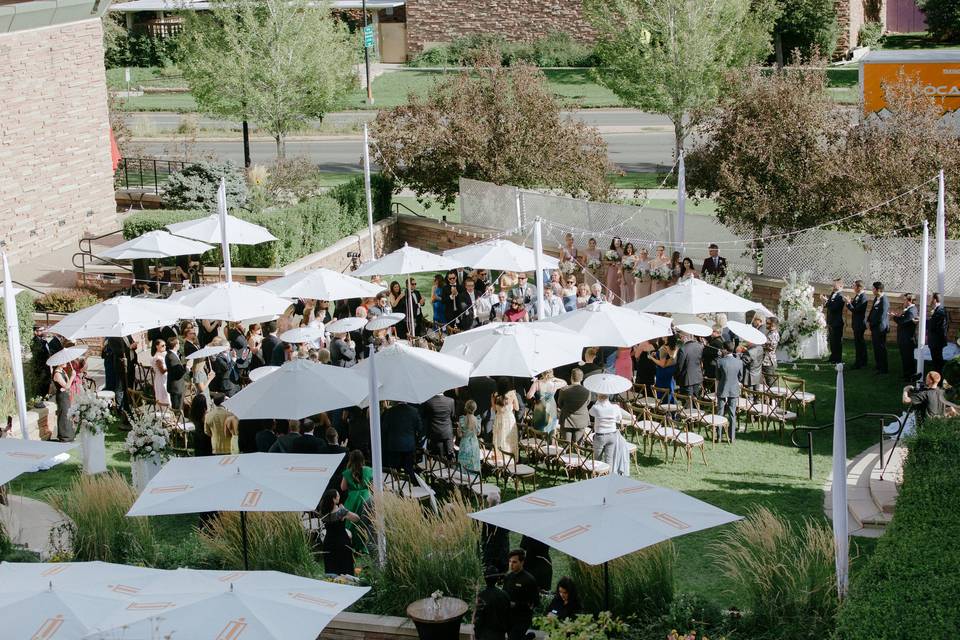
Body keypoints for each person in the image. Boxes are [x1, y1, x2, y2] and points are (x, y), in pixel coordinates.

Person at [319, 489, 360, 576]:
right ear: (333, 499)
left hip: (328, 543)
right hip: (342, 543)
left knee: (332, 570)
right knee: (345, 569)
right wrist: (345, 510)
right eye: (338, 496)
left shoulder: (323, 512)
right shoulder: (341, 512)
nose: (339, 497)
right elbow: (356, 518)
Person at [502, 549, 540, 640]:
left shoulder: (529, 580)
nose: (511, 564)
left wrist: (516, 604)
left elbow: (535, 602)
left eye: (514, 562)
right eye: (510, 561)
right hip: (508, 618)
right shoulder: (508, 577)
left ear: (522, 562)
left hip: (522, 619)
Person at [381, 401, 422, 482]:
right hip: (409, 445)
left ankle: (397, 487)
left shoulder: (390, 412)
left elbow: (384, 428)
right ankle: (412, 486)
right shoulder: (414, 411)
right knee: (409, 469)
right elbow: (420, 428)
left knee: (394, 470)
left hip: (394, 445)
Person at [715, 342, 744, 443]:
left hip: (722, 389)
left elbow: (717, 378)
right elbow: (740, 377)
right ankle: (732, 438)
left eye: (722, 349)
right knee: (732, 414)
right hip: (734, 389)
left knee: (720, 413)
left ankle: (718, 437)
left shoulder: (720, 361)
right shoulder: (739, 362)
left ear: (725, 350)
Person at [473, 568, 512, 640]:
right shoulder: (505, 595)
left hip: (485, 635)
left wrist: (477, 634)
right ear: (497, 578)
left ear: (485, 579)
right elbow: (508, 617)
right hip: (499, 635)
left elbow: (478, 619)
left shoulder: (482, 596)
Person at [340, 449, 372, 533]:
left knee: (351, 521)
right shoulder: (369, 470)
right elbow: (373, 485)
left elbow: (343, 488)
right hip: (366, 497)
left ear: (350, 460)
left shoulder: (347, 472)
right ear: (362, 459)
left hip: (352, 499)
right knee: (365, 520)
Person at [556, 368, 590, 444]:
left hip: (566, 419)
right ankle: (578, 455)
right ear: (581, 378)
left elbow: (560, 403)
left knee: (567, 445)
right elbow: (587, 403)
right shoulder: (587, 391)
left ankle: (567, 455)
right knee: (578, 445)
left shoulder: (564, 390)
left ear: (571, 377)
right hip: (581, 420)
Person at [527, 369, 564, 439]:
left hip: (540, 407)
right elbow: (564, 383)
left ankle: (539, 444)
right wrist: (555, 378)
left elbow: (529, 396)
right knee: (550, 427)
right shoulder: (554, 384)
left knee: (539, 428)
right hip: (551, 407)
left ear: (542, 374)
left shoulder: (537, 383)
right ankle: (550, 444)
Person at [589, 393, 624, 465]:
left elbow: (590, 413)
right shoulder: (615, 407)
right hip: (612, 434)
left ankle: (597, 474)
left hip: (600, 435)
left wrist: (597, 401)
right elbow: (619, 418)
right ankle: (608, 474)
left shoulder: (596, 407)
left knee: (597, 459)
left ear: (598, 397)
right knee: (609, 459)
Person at [481, 493, 509, 574]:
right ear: (499, 501)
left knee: (490, 568)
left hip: (489, 546)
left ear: (488, 502)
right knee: (501, 568)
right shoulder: (505, 514)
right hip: (502, 546)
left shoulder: (484, 515)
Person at [422, 391, 456, 457]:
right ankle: (450, 461)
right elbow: (452, 415)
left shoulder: (428, 401)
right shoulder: (451, 401)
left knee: (437, 455)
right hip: (447, 432)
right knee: (450, 454)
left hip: (434, 432)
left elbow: (424, 415)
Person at [492, 378, 520, 460]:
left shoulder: (494, 395)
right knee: (509, 438)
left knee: (499, 438)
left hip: (499, 418)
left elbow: (494, 408)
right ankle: (511, 458)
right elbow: (517, 408)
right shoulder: (512, 394)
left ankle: (500, 457)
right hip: (509, 419)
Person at [894, 293, 919, 381]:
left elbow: (903, 322)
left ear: (910, 301)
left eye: (905, 300)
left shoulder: (912, 310)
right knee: (905, 357)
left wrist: (894, 317)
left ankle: (910, 376)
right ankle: (906, 374)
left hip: (908, 339)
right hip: (904, 338)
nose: (903, 302)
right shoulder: (908, 309)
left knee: (908, 358)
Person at [821, 278, 846, 364]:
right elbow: (828, 306)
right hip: (831, 321)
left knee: (837, 341)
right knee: (832, 340)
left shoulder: (840, 296)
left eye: (835, 284)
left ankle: (838, 359)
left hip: (837, 322)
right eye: (833, 284)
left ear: (840, 286)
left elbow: (834, 307)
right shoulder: (833, 293)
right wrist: (825, 302)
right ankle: (833, 357)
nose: (833, 286)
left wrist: (826, 301)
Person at [845, 280, 869, 369]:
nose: (853, 287)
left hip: (859, 324)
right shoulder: (858, 296)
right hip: (856, 323)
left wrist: (848, 303)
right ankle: (862, 361)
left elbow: (856, 310)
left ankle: (860, 363)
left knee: (859, 343)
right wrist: (850, 303)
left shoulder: (863, 297)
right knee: (859, 342)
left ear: (859, 287)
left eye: (854, 286)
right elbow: (854, 306)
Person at [869, 282, 890, 374]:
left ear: (878, 290)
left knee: (881, 348)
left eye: (873, 289)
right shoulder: (877, 298)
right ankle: (878, 365)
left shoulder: (884, 300)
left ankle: (883, 368)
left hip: (880, 328)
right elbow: (873, 310)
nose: (872, 290)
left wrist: (873, 324)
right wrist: (869, 319)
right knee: (876, 347)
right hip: (874, 327)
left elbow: (881, 316)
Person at [51, 361, 75, 442]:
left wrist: (70, 379)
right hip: (62, 397)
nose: (66, 363)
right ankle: (64, 436)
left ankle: (69, 435)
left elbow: (67, 385)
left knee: (67, 414)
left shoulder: (63, 371)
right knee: (63, 415)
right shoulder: (57, 374)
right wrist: (72, 376)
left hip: (66, 395)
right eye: (63, 362)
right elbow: (67, 386)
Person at [675, 333, 705, 397]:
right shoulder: (700, 346)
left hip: (687, 379)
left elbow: (679, 366)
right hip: (698, 377)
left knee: (688, 402)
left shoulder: (683, 349)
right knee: (697, 400)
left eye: (681, 337)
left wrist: (676, 376)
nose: (681, 339)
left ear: (685, 337)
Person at [164, 336, 187, 415]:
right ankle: (178, 422)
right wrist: (187, 367)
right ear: (176, 345)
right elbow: (178, 373)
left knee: (179, 406)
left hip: (177, 385)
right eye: (178, 343)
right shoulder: (171, 357)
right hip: (176, 386)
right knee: (177, 408)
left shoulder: (172, 354)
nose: (179, 345)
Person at [457, 399, 482, 474]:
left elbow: (460, 435)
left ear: (465, 408)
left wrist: (458, 431)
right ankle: (474, 479)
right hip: (474, 443)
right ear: (475, 409)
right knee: (474, 462)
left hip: (465, 444)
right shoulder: (477, 420)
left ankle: (463, 479)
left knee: (464, 463)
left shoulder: (462, 419)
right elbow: (478, 433)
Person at [928, 293, 949, 374]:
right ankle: (938, 377)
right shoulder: (939, 309)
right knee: (937, 360)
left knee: (937, 361)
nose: (929, 300)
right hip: (936, 340)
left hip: (936, 341)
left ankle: (938, 379)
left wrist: (923, 321)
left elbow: (934, 326)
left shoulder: (940, 311)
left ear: (935, 300)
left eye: (931, 298)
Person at [151, 338, 170, 410]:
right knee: (164, 396)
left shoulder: (162, 354)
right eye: (162, 345)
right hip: (161, 380)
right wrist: (171, 366)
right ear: (157, 346)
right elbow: (162, 370)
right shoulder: (158, 357)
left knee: (166, 395)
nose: (165, 346)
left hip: (164, 378)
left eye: (165, 345)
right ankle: (165, 412)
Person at [762, 317, 780, 387]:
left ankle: (773, 397)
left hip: (769, 361)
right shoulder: (769, 332)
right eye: (766, 323)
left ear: (773, 324)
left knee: (770, 381)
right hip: (765, 360)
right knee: (768, 380)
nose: (766, 325)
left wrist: (761, 345)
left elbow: (771, 348)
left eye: (768, 323)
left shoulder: (774, 334)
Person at [605, 236, 623, 305]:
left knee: (618, 286)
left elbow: (624, 261)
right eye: (615, 241)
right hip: (611, 270)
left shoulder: (622, 251)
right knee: (610, 285)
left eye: (618, 241)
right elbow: (605, 262)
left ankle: (617, 302)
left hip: (619, 270)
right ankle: (609, 301)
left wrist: (618, 263)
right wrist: (611, 262)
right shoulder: (610, 251)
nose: (617, 243)